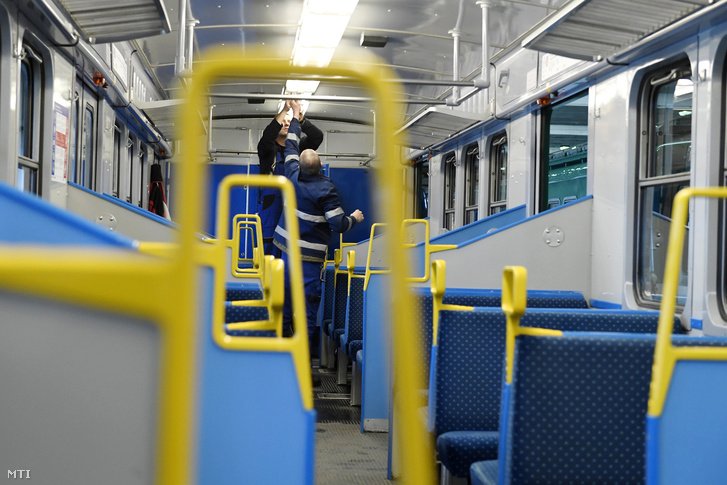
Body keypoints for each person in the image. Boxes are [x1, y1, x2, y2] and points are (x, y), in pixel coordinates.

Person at [273, 100, 364, 355]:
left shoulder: (291, 173)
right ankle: (303, 361)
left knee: (283, 304)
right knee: (306, 311)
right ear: (321, 165)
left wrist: (296, 116)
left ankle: (281, 357)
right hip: (309, 262)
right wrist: (355, 218)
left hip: (283, 253)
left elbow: (291, 144)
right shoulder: (326, 190)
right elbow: (338, 224)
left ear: (299, 164)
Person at [257, 101, 323, 256]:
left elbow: (317, 137)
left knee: (292, 250)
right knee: (269, 251)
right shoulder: (267, 150)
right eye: (283, 121)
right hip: (272, 208)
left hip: (295, 203)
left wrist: (300, 118)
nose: (286, 123)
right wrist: (286, 109)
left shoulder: (300, 148)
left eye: (289, 121)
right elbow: (268, 135)